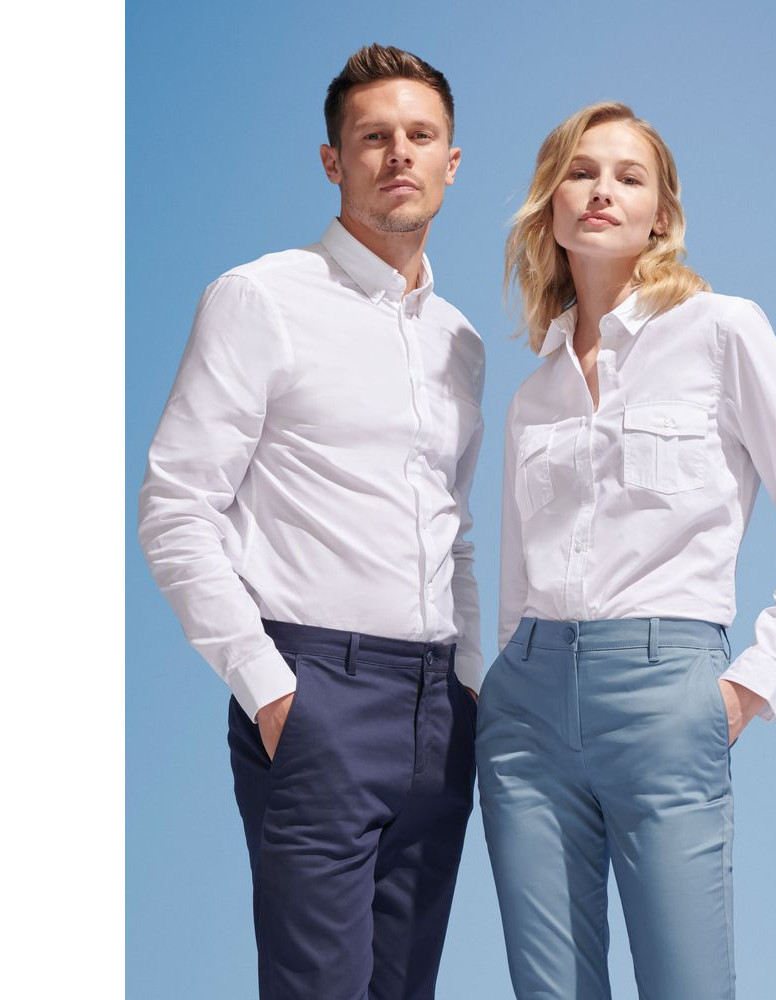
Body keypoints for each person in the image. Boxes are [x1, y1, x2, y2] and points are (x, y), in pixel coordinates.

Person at [475, 101, 776, 1000]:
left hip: (666, 693)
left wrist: (747, 687)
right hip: (526, 711)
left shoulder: (722, 331)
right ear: (549, 203)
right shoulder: (533, 395)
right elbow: (515, 584)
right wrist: (502, 686)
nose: (601, 190)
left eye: (628, 176)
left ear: (662, 215)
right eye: (580, 172)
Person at [138, 44, 484, 1000]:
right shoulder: (261, 299)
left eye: (421, 135)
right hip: (316, 692)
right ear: (334, 161)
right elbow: (175, 505)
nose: (399, 153)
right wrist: (269, 688)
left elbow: (451, 529)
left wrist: (467, 682)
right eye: (373, 137)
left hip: (439, 712)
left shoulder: (459, 340)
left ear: (452, 162)